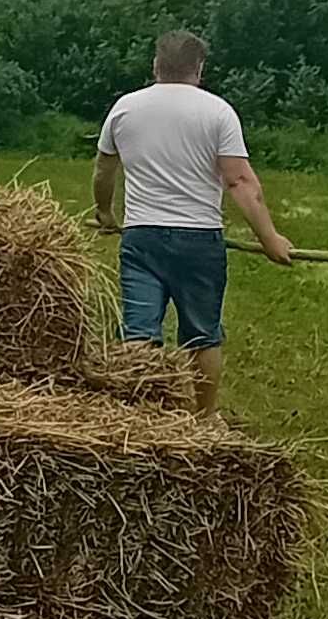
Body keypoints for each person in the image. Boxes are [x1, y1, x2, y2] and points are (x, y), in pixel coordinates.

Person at [93, 28, 294, 412]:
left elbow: (104, 171)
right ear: (198, 69)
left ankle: (133, 417)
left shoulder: (125, 108)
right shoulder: (217, 112)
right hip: (199, 241)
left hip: (142, 237)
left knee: (139, 332)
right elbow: (239, 181)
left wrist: (104, 212)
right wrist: (270, 239)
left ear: (156, 64)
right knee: (202, 335)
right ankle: (202, 422)